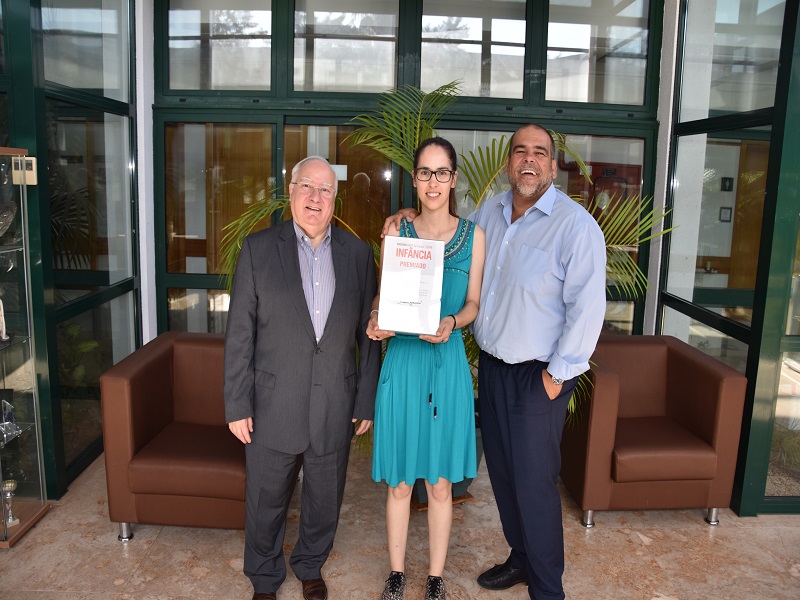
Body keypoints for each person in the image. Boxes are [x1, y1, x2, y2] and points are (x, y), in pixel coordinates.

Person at [383, 124, 606, 600]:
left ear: (553, 165)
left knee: (535, 484)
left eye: (539, 153)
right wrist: (406, 214)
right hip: (494, 368)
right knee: (503, 475)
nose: (529, 160)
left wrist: (555, 377)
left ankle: (547, 589)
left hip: (539, 375)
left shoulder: (575, 226)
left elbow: (587, 310)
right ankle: (520, 559)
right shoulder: (492, 213)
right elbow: (441, 224)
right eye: (520, 151)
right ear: (508, 163)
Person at [225, 155, 380, 600]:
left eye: (325, 189)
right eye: (307, 186)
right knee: (265, 500)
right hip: (272, 403)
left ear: (335, 198)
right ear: (290, 191)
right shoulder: (258, 249)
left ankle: (311, 565)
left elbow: (370, 334)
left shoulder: (358, 255)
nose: (315, 197)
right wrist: (237, 404)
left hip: (335, 401)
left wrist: (365, 399)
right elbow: (239, 334)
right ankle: (264, 577)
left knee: (324, 499)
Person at [368, 137, 486, 600]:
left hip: (446, 364)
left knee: (439, 484)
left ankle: (436, 577)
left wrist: (453, 321)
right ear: (414, 179)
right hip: (403, 363)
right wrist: (375, 317)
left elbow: (474, 302)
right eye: (424, 172)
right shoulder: (397, 232)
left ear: (453, 179)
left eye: (441, 173)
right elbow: (383, 295)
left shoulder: (474, 236)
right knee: (400, 482)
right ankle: (396, 573)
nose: (432, 182)